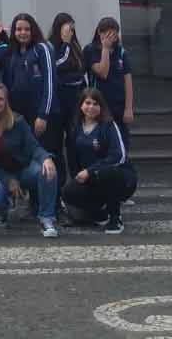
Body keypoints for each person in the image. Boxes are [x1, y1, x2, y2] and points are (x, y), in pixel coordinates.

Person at [0, 80, 60, 238]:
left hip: (23, 170)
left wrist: (46, 158)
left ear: (6, 101)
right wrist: (7, 179)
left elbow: (33, 146)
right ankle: (2, 210)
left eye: (1, 99)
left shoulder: (18, 121)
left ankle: (46, 218)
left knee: (48, 170)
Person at [0, 12, 56, 153]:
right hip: (17, 116)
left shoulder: (41, 48)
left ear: (33, 30)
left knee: (44, 155)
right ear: (13, 32)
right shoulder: (10, 51)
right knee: (22, 155)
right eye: (19, 29)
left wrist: (43, 115)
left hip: (39, 115)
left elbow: (50, 84)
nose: (23, 33)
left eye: (27, 29)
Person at [63, 87, 135, 234]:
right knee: (68, 191)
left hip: (119, 177)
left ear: (101, 106)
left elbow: (118, 156)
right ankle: (99, 214)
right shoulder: (75, 128)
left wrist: (91, 171)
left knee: (105, 174)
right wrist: (78, 177)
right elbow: (72, 158)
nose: (91, 107)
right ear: (81, 105)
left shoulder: (108, 126)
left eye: (95, 103)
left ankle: (116, 218)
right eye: (87, 103)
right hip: (91, 179)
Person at [85, 15, 136, 148]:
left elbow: (128, 80)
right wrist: (105, 49)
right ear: (99, 32)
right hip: (99, 104)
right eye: (106, 33)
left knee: (121, 142)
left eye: (113, 34)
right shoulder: (90, 50)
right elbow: (103, 72)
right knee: (101, 142)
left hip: (119, 104)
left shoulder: (121, 52)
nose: (110, 37)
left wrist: (128, 108)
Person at [48, 12, 88, 172]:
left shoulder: (75, 47)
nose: (71, 32)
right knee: (56, 143)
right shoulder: (52, 46)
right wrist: (65, 44)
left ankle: (78, 176)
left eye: (72, 29)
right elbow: (56, 66)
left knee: (75, 141)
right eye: (67, 29)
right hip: (59, 101)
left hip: (75, 100)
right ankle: (60, 183)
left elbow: (81, 70)